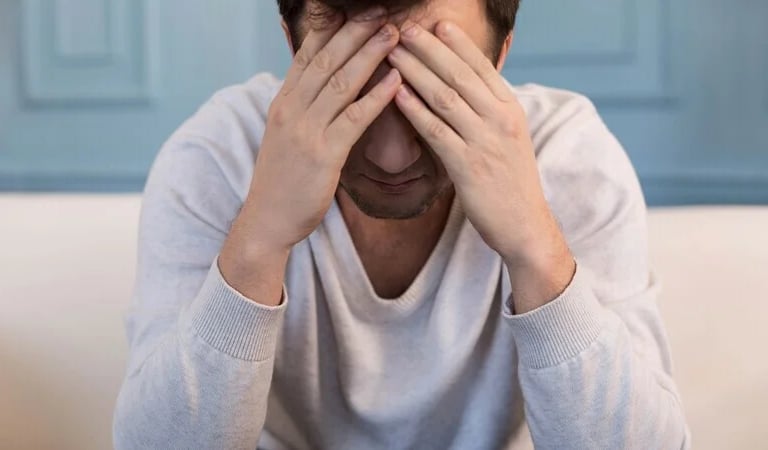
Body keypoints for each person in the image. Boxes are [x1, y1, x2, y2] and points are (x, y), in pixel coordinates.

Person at [113, 0, 690, 448]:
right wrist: (259, 239)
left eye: (435, 88)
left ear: (501, 56)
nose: (393, 159)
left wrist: (536, 249)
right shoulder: (217, 156)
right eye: (355, 86)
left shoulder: (569, 158)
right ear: (293, 47)